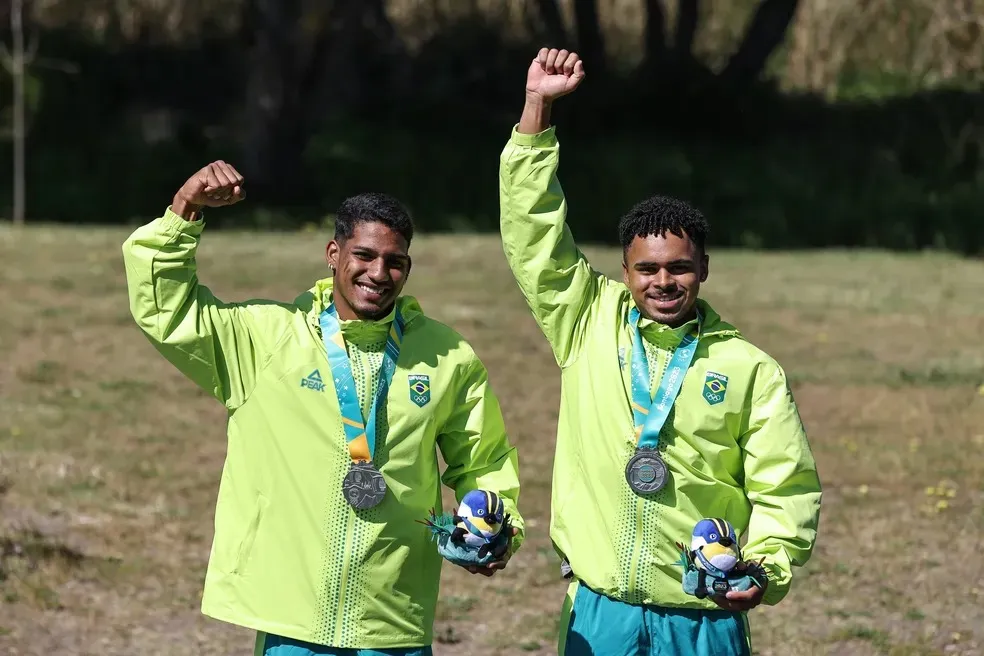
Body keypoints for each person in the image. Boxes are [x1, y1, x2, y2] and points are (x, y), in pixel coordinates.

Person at [122, 162, 524, 656]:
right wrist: (184, 211)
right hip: (294, 622)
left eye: (395, 261)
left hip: (391, 619)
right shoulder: (266, 339)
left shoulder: (447, 356)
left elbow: (483, 462)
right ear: (333, 254)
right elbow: (166, 309)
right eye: (364, 255)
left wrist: (498, 529)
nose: (379, 273)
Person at [498, 48, 821, 655]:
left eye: (679, 268)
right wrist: (536, 108)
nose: (663, 282)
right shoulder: (586, 322)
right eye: (647, 269)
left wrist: (768, 568)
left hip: (704, 617)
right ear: (624, 271)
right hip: (602, 611)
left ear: (703, 268)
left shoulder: (749, 369)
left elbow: (786, 485)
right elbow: (532, 233)